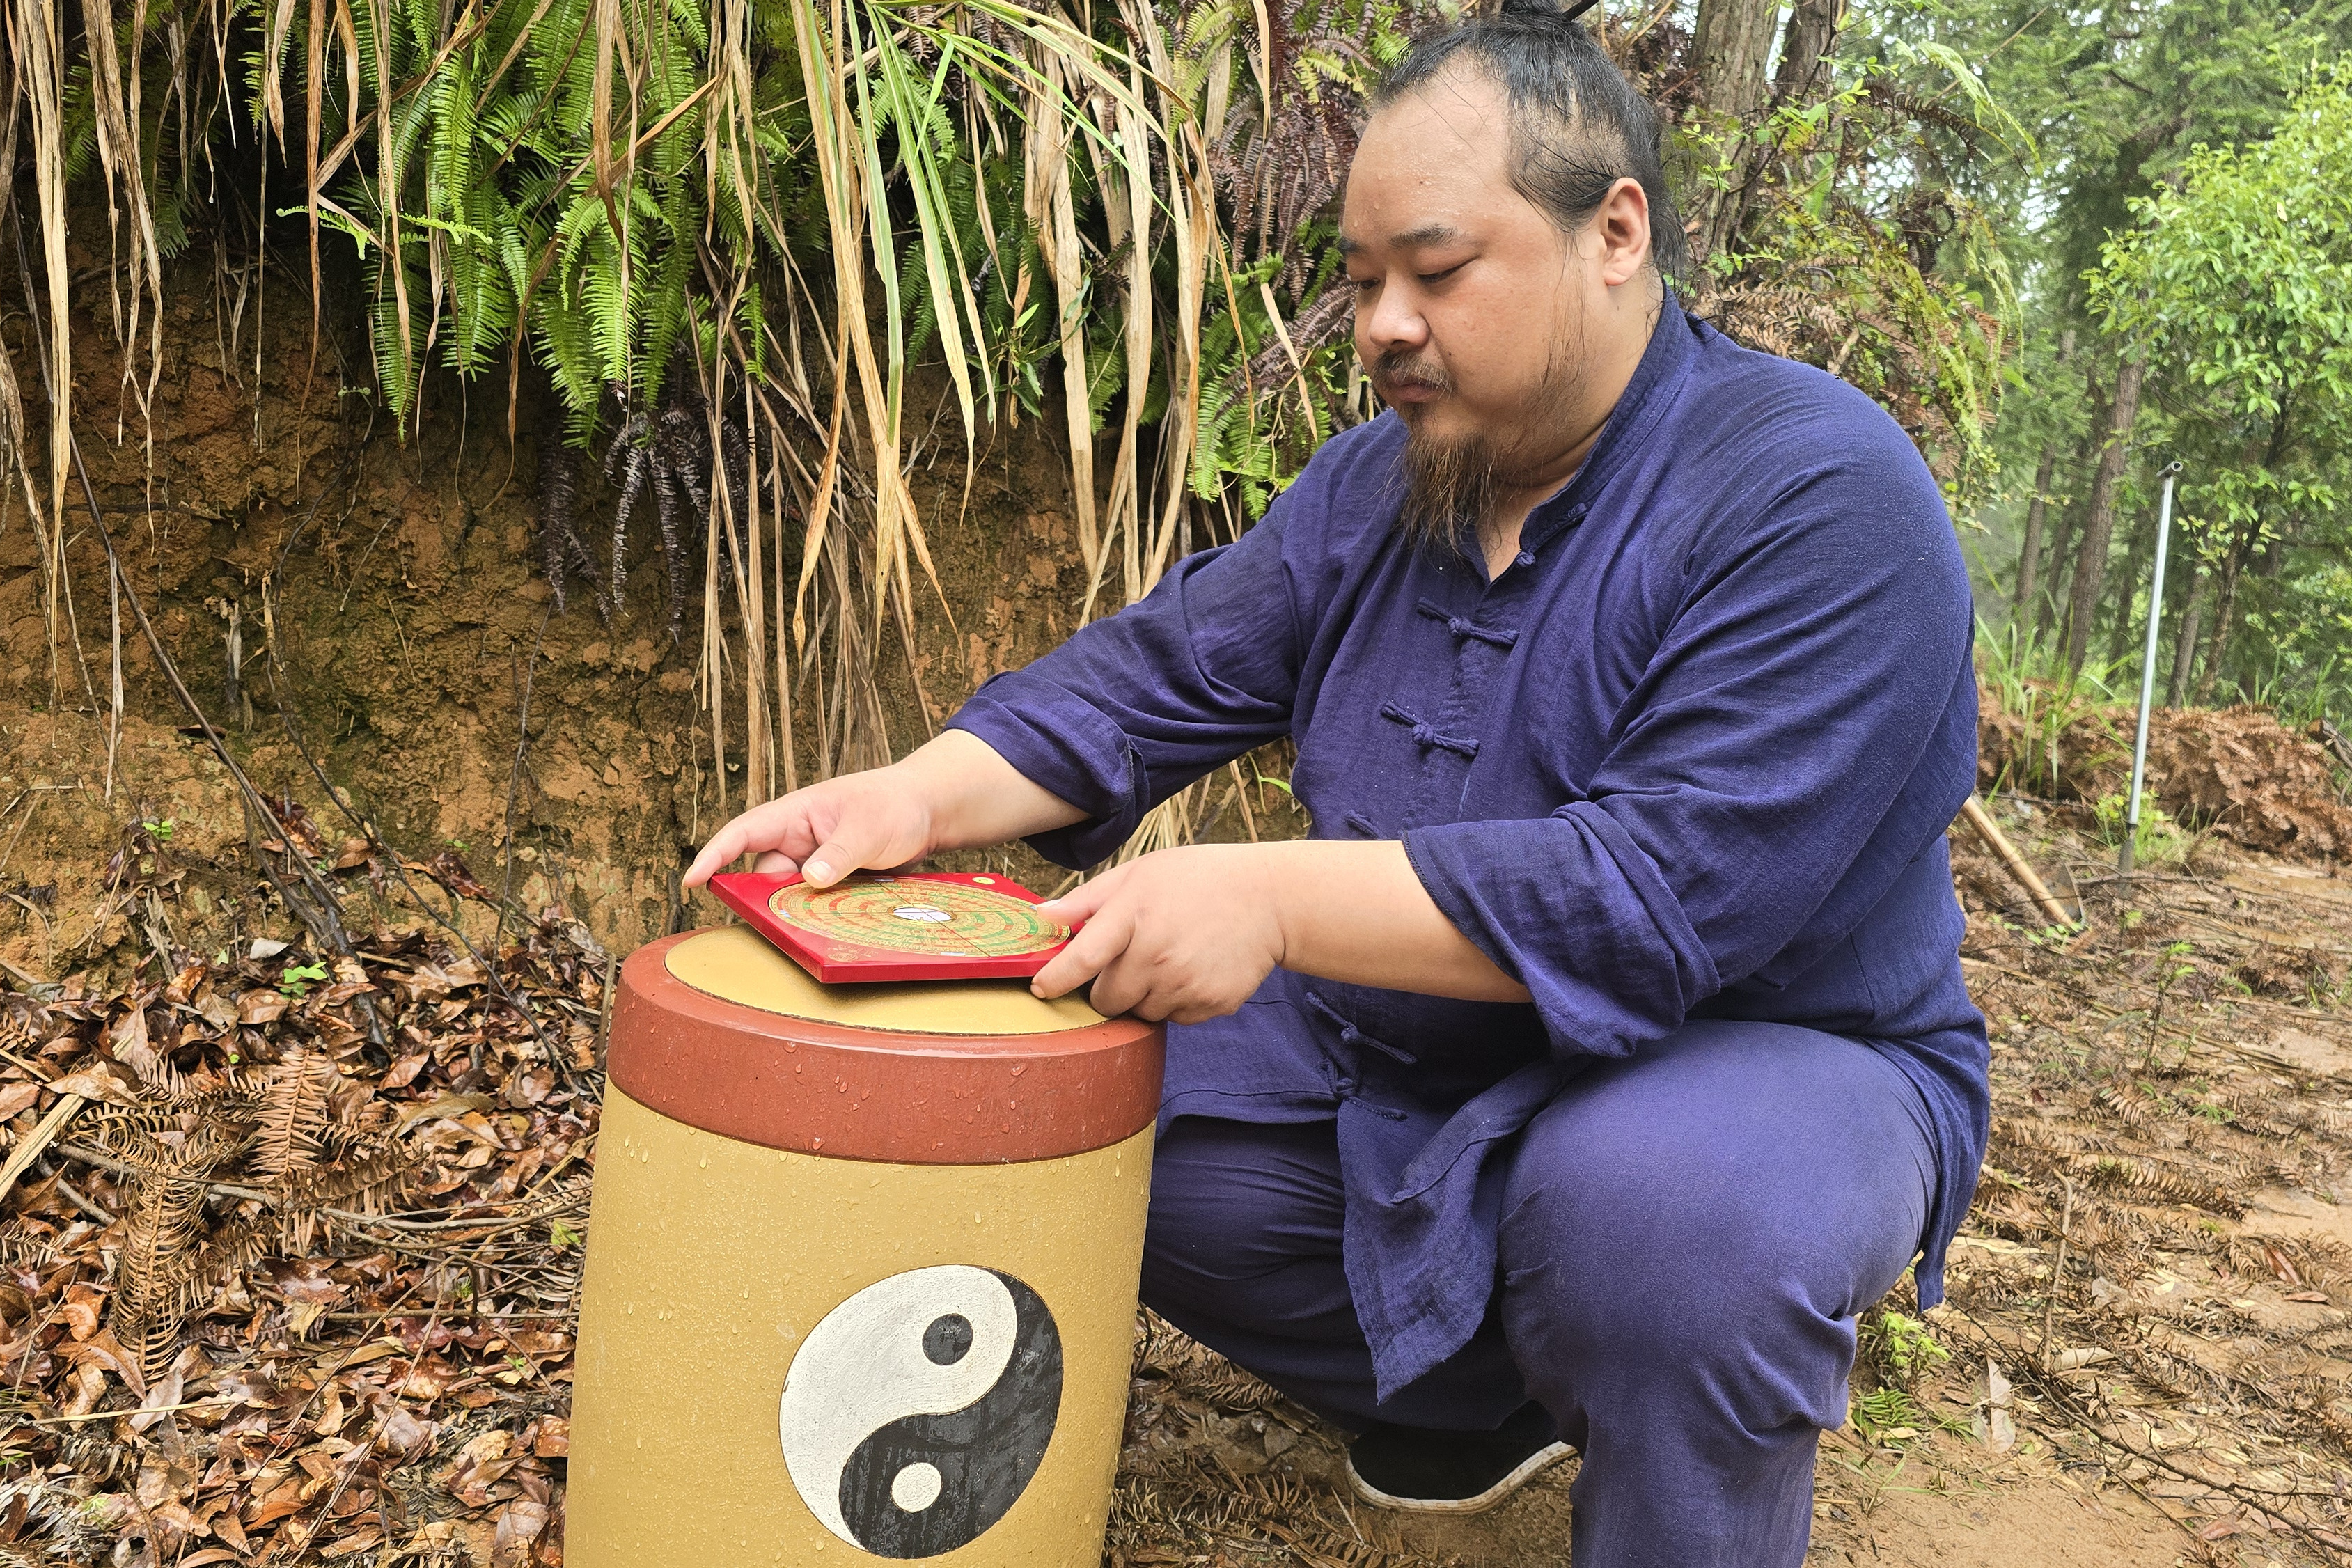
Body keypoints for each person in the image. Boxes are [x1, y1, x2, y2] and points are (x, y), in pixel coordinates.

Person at [684, 3, 1986, 1561]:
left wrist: (1270, 900)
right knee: (1049, 1099)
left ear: (1615, 232)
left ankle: (1657, 1426)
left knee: (1663, 1222)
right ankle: (1483, 1399)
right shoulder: (1385, 481)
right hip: (1408, 1041)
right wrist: (910, 797)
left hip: (1758, 1056)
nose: (1382, 325)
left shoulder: (1817, 493)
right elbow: (1162, 671)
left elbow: (1652, 897)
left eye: (1436, 272)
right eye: (1363, 282)